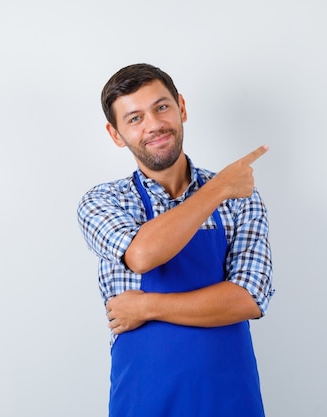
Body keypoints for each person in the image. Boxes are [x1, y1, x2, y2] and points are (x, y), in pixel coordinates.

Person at [77, 63, 274, 417]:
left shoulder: (241, 198)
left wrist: (147, 307)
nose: (154, 124)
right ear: (116, 133)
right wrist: (219, 189)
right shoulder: (104, 202)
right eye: (134, 118)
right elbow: (141, 255)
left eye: (161, 107)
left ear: (181, 107)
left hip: (231, 399)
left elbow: (248, 298)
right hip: (145, 400)